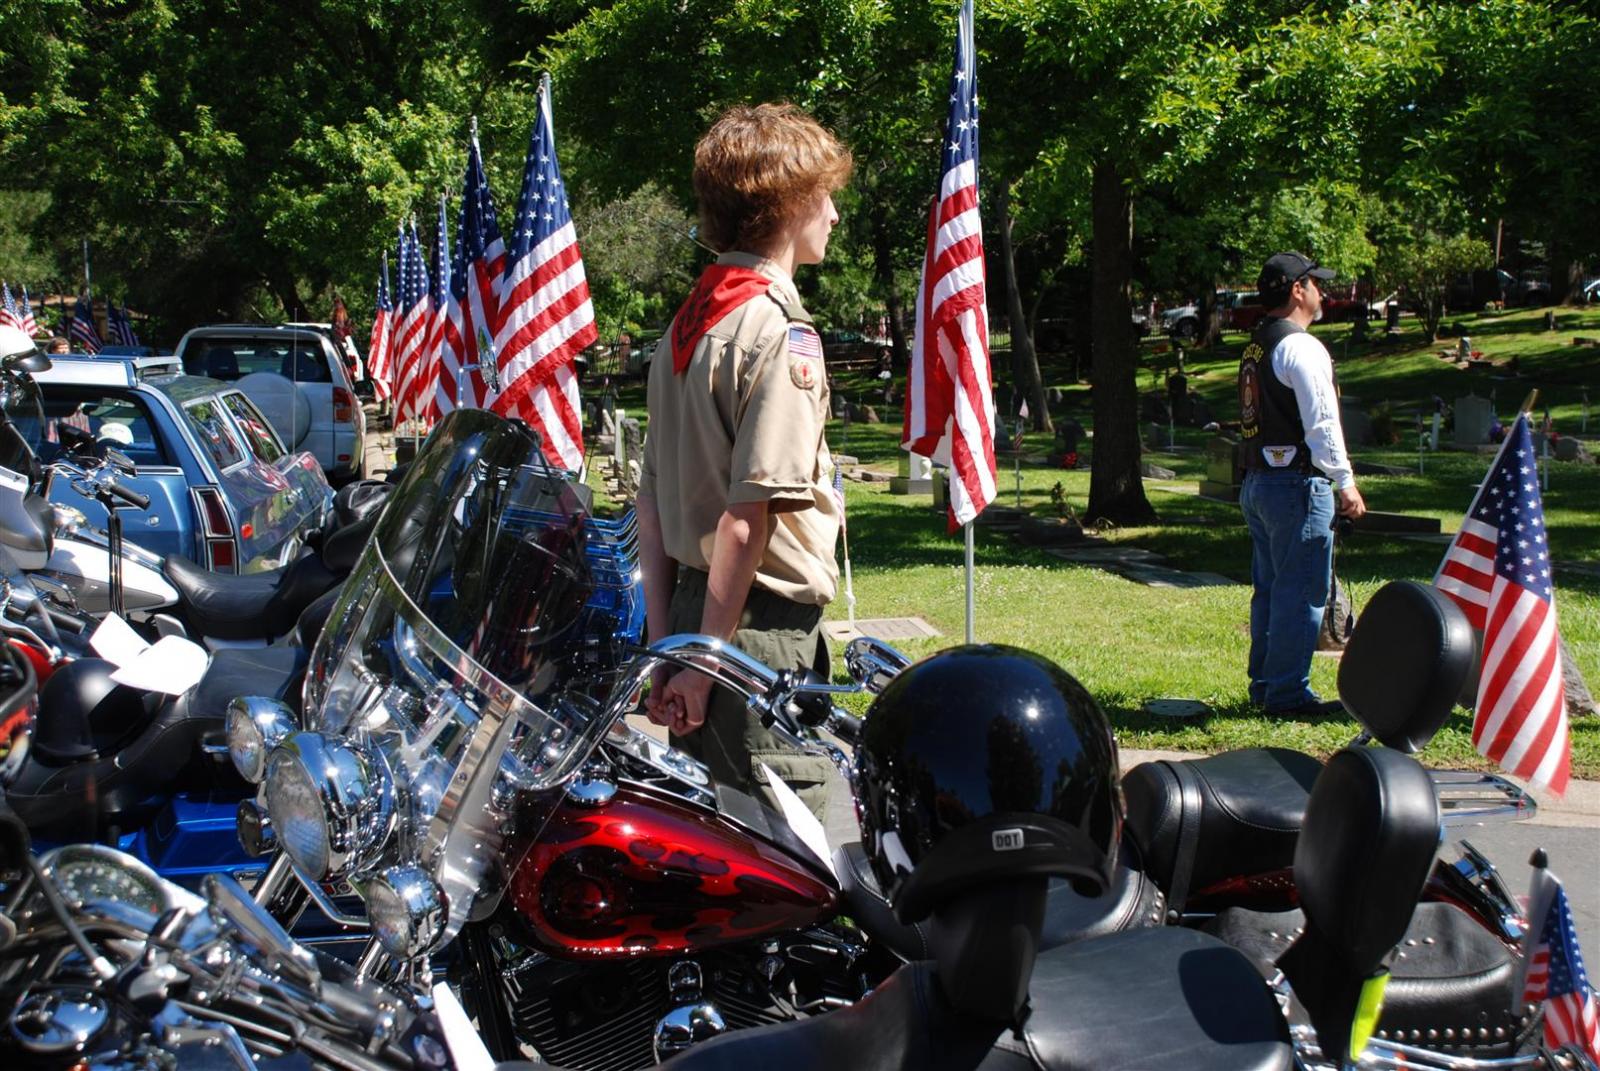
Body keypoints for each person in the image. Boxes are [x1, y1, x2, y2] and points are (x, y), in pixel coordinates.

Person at [637, 103, 851, 819]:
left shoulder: (685, 326)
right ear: (786, 204)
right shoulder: (777, 331)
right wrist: (705, 664)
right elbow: (743, 521)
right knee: (790, 848)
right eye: (823, 195)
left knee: (715, 842)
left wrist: (668, 650)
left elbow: (650, 507)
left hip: (697, 619)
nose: (833, 214)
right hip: (753, 634)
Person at [1238, 252, 1367, 716]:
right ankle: (1288, 694)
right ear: (1297, 290)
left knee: (1271, 590)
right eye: (1316, 284)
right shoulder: (1302, 347)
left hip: (1259, 481)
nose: (1323, 293)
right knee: (1302, 593)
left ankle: (1267, 684)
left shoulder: (1258, 344)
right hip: (1296, 484)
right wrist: (1345, 482)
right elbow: (1322, 423)